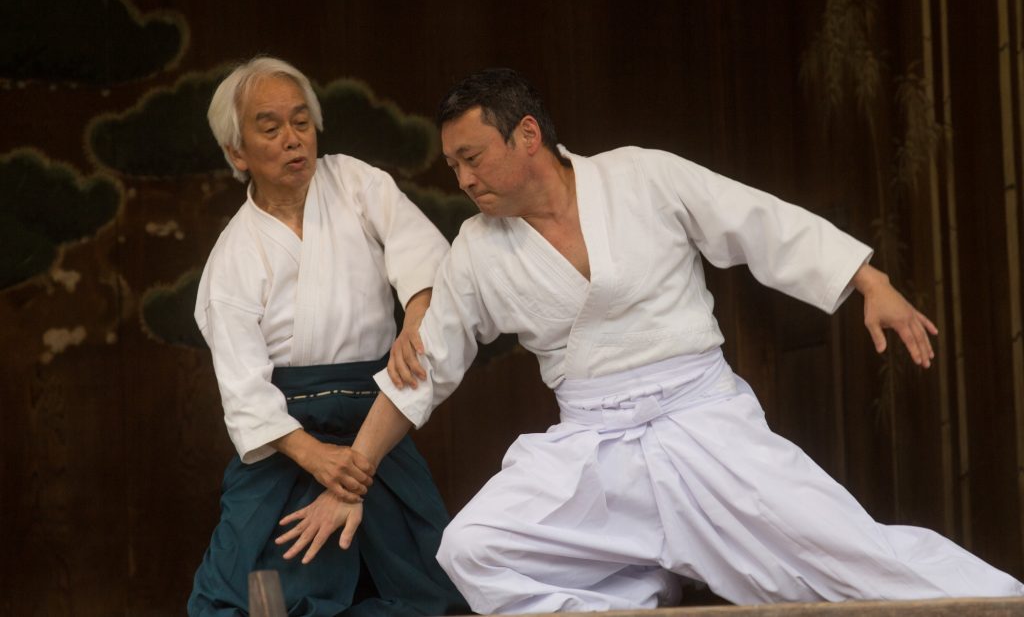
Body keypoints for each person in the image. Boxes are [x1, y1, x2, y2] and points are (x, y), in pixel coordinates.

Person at [275, 68, 1024, 613]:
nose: (463, 177)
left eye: (472, 156)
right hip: (595, 451)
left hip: (704, 422)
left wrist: (868, 281)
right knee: (474, 550)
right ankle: (630, 602)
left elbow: (754, 220)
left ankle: (1003, 602)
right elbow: (423, 371)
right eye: (453, 164)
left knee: (853, 558)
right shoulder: (476, 247)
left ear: (527, 134)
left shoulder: (640, 178)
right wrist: (355, 476)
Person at [187, 56, 467, 616]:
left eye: (301, 122)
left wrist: (416, 315)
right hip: (286, 440)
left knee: (434, 590)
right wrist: (318, 460)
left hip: (378, 417)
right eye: (270, 128)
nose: (293, 140)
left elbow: (427, 261)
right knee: (239, 598)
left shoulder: (358, 184)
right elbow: (244, 392)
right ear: (237, 153)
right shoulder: (233, 257)